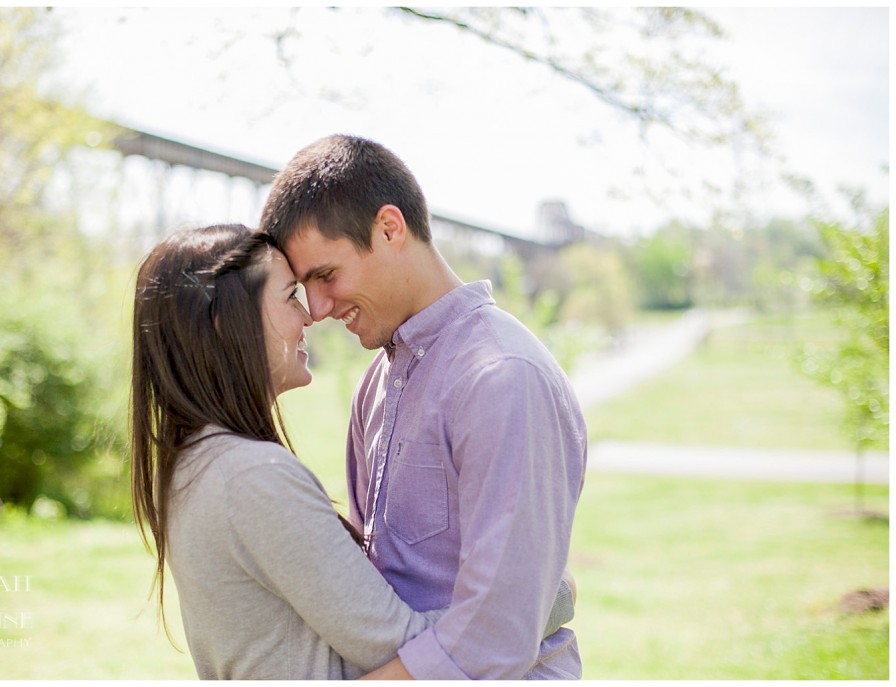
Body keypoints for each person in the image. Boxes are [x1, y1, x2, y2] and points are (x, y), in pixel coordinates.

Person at [128, 224, 575, 680]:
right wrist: (544, 598)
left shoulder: (198, 462)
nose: (310, 315)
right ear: (226, 325)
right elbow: (400, 645)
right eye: (290, 297)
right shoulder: (250, 476)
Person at [261, 135, 588, 680]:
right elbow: (374, 587)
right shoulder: (377, 381)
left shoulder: (502, 376)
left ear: (390, 228)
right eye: (302, 287)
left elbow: (496, 635)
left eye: (325, 275)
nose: (315, 309)